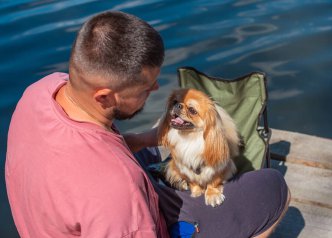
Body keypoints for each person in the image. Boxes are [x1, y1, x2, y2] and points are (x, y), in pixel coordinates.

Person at [5, 11, 290, 238]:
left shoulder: (40, 91)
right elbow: (116, 197)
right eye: (144, 88)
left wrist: (147, 139)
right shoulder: (118, 191)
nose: (156, 89)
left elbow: (89, 154)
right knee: (272, 187)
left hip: (59, 215)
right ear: (104, 96)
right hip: (126, 213)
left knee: (152, 155)